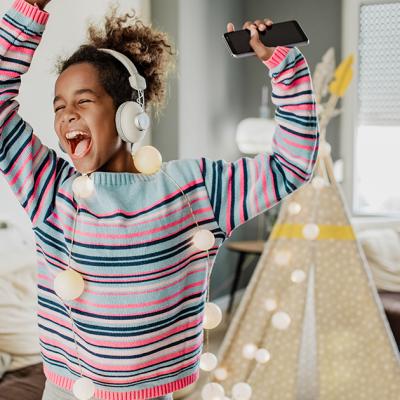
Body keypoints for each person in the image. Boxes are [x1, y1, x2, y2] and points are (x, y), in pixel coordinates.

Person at [0, 0, 319, 399]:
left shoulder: (193, 191)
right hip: (68, 393)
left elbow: (290, 165)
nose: (66, 116)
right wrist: (27, 10)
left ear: (129, 113)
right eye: (59, 106)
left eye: (83, 101)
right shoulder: (48, 190)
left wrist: (285, 69)